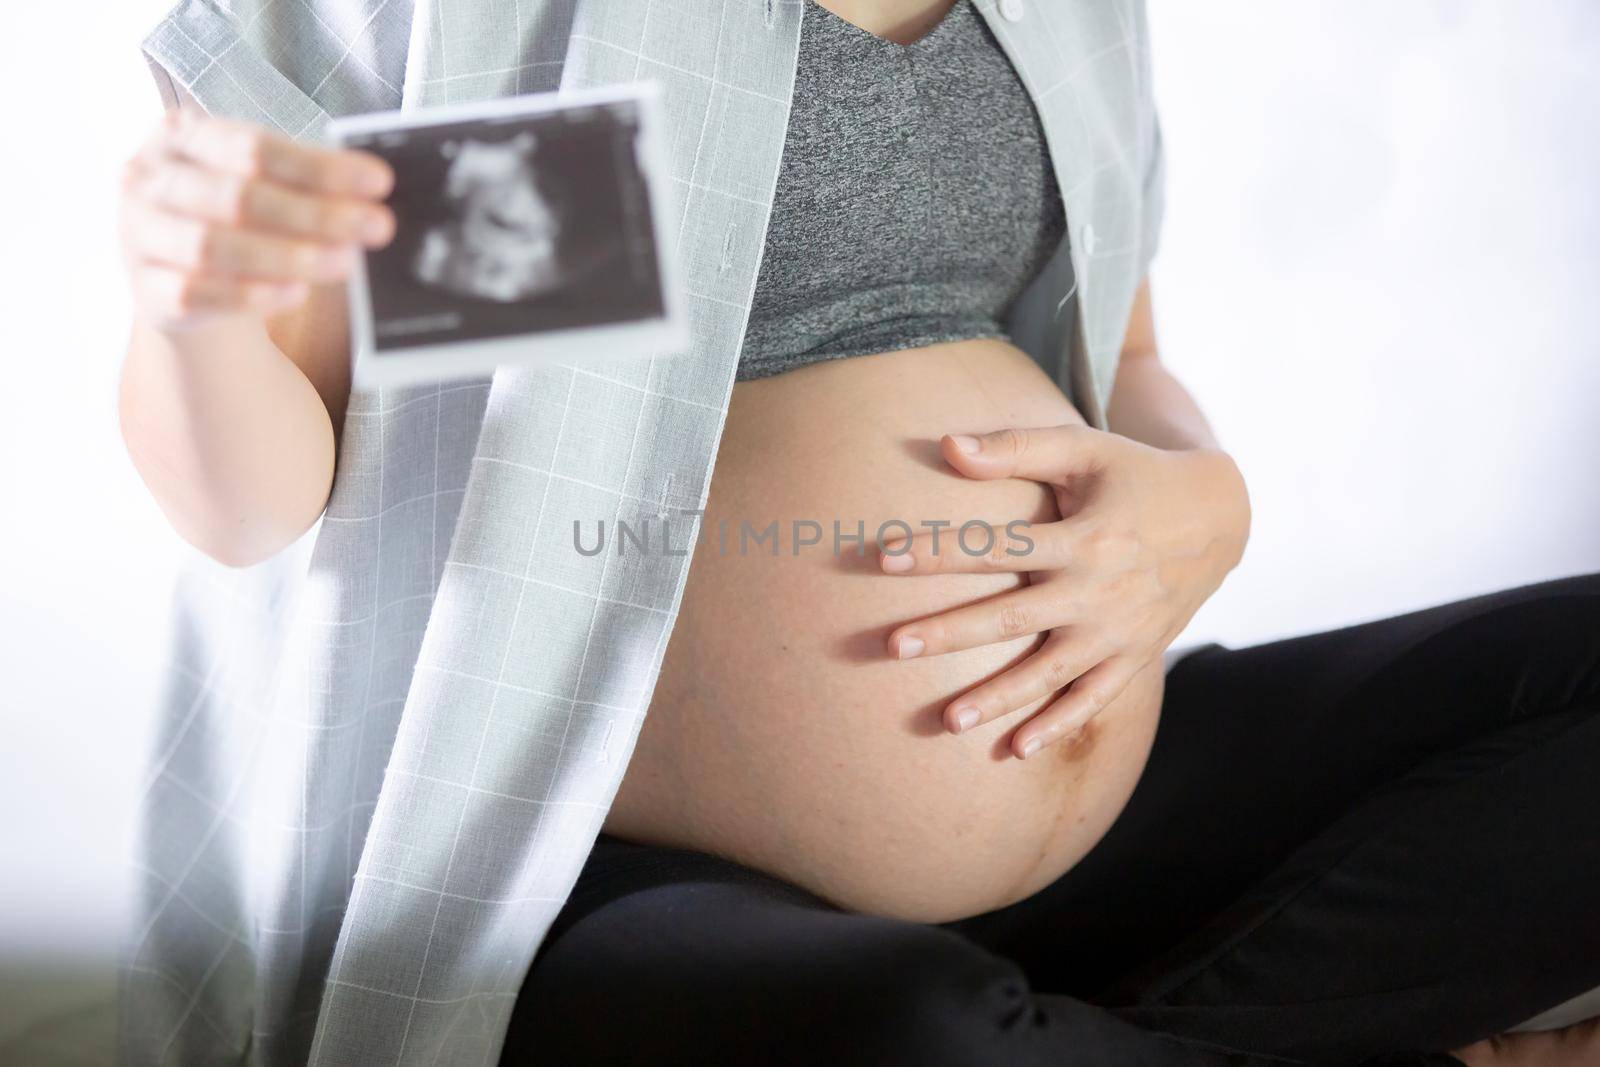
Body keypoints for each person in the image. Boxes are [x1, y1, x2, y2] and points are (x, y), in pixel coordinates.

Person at [119, 0, 1599, 1063]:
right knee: (908, 1037)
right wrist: (193, 315)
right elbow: (257, 506)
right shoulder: (492, 20)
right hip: (601, 867)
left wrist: (1205, 496)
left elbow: (1130, 362)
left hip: (1091, 785)